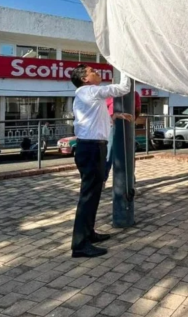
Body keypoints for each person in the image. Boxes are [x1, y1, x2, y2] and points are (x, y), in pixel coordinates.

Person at [70, 65, 133, 258]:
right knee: (88, 197)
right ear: (85, 79)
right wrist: (127, 68)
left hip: (91, 147)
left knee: (93, 194)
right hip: (91, 149)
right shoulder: (89, 91)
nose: (97, 73)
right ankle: (80, 245)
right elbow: (122, 89)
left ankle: (88, 234)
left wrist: (116, 115)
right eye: (92, 72)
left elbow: (98, 118)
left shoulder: (88, 95)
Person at [104, 91, 141, 184]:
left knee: (129, 152)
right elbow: (104, 111)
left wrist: (132, 120)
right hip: (113, 126)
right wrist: (111, 119)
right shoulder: (110, 94)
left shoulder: (134, 94)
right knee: (109, 152)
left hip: (128, 125)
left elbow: (137, 109)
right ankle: (103, 179)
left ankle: (130, 178)